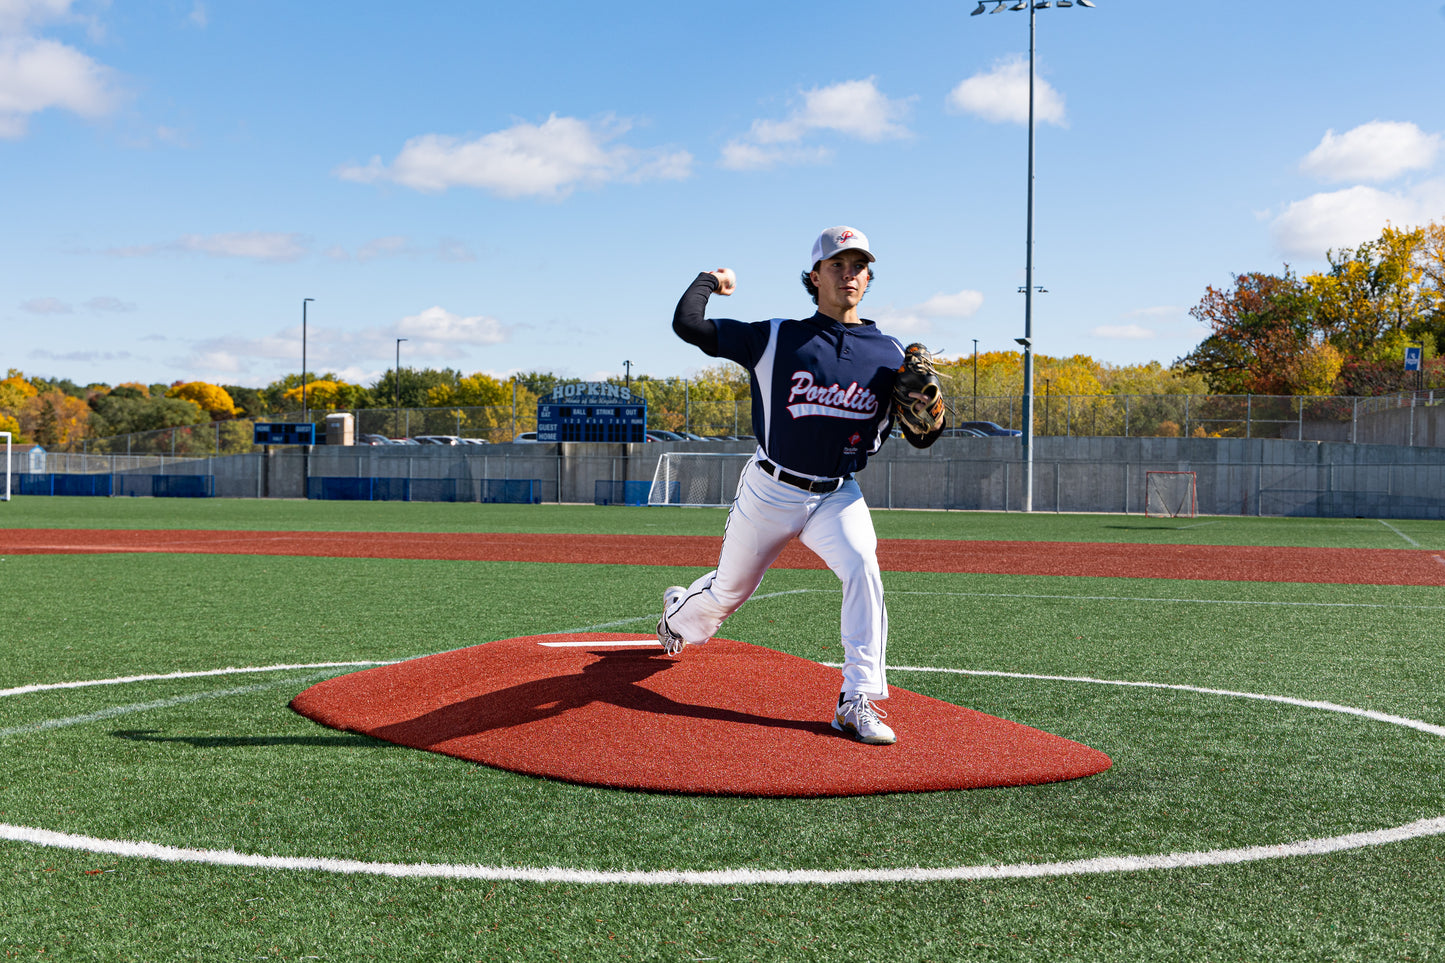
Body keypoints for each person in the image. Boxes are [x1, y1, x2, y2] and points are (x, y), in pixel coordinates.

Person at [656, 226, 945, 745]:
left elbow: (920, 434)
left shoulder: (888, 351)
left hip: (837, 492)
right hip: (771, 489)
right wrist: (708, 279)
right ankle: (678, 618)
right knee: (728, 594)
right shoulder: (776, 337)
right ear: (815, 276)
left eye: (858, 265)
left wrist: (930, 419)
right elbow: (689, 326)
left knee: (863, 569)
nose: (849, 273)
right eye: (837, 264)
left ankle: (857, 700)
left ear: (869, 277)